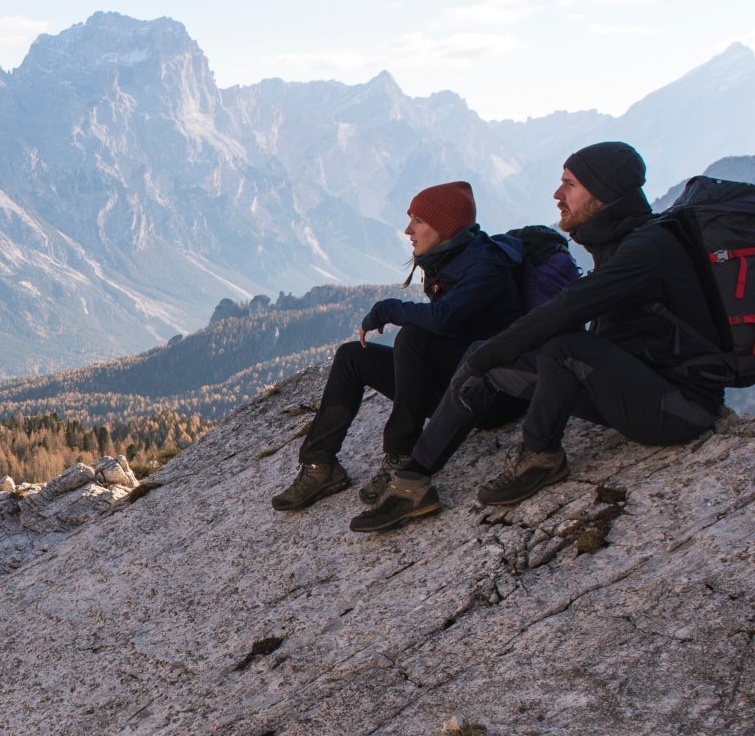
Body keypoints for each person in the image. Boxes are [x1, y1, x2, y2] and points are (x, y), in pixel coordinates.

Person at [363, 141, 723, 528]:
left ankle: (541, 456)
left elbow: (565, 310)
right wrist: (482, 357)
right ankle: (413, 480)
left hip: (679, 408)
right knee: (488, 357)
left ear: (602, 192)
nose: (557, 194)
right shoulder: (618, 240)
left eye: (569, 184)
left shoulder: (647, 248)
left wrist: (488, 354)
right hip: (631, 385)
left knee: (555, 344)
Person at [270, 181, 523, 525]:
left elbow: (445, 318)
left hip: (492, 398)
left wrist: (388, 309)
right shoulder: (446, 260)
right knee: (351, 357)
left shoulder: (487, 265)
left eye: (418, 220)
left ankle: (401, 456)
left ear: (446, 226)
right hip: (457, 384)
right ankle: (320, 465)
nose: (408, 230)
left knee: (413, 338)